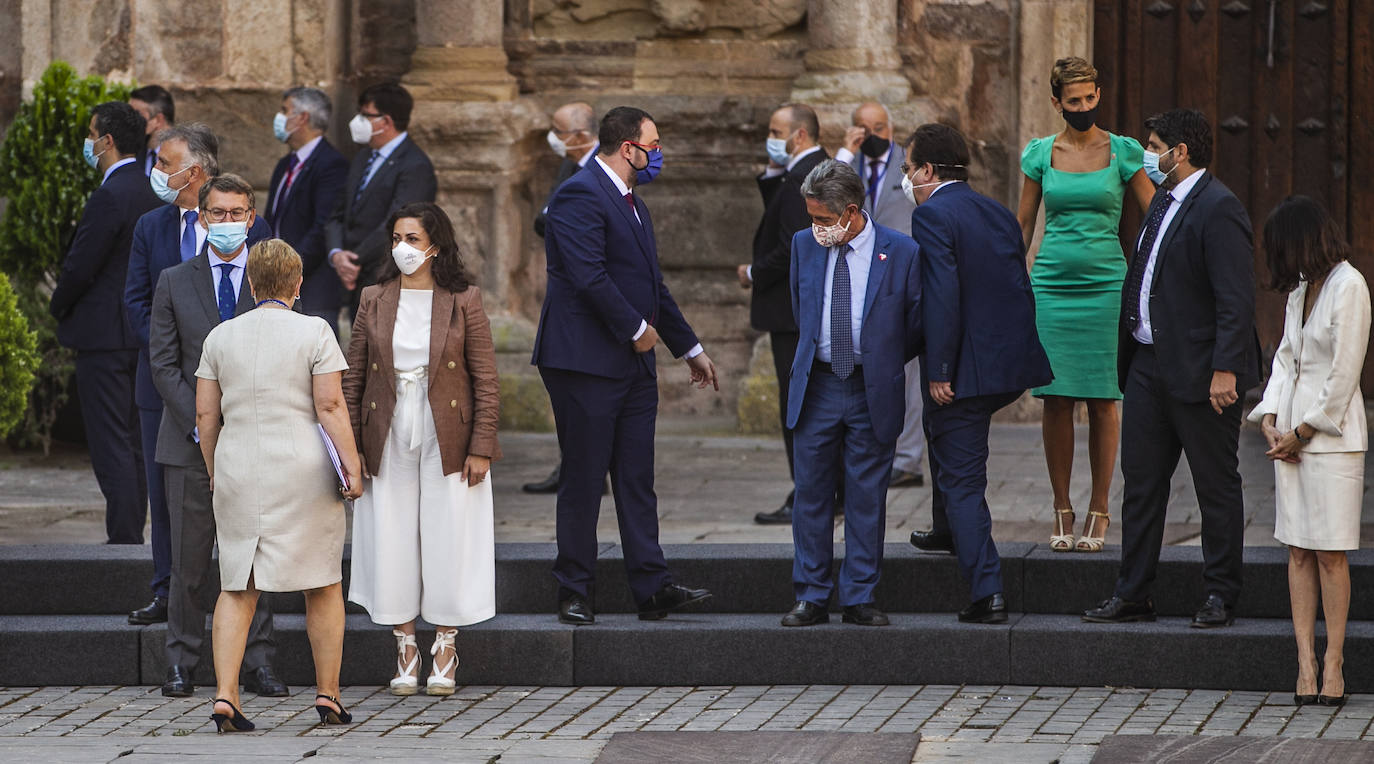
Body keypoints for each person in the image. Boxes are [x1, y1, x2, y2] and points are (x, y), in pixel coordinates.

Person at [532, 106, 718, 625]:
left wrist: (689, 348)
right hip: (585, 362)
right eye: (652, 144)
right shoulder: (579, 192)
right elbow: (588, 276)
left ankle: (652, 585)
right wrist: (639, 332)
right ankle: (574, 589)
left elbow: (651, 286)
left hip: (632, 366)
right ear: (625, 147)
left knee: (637, 477)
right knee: (585, 476)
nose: (658, 153)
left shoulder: (635, 204)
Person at [1083, 108, 1261, 628]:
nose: (1147, 153)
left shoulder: (1218, 207)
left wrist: (1226, 369)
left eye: (1154, 144)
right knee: (1140, 482)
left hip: (1202, 373)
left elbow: (1236, 297)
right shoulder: (1162, 199)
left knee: (1214, 485)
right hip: (1147, 364)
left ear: (1179, 152)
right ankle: (1133, 591)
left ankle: (1221, 594)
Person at [196, 238, 363, 732]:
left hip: (238, 463)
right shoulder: (315, 331)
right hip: (302, 468)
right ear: (297, 284)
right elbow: (330, 406)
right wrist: (351, 468)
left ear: (250, 284)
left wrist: (212, 466)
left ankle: (226, 695)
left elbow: (206, 414)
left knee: (238, 584)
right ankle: (328, 694)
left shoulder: (220, 336)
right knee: (323, 582)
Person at [344, 202, 501, 696]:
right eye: (396, 238)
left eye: (412, 239)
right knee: (390, 532)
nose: (403, 249)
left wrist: (481, 446)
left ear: (435, 244)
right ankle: (405, 645)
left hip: (447, 432)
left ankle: (447, 645)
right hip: (385, 430)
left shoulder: (463, 298)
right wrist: (350, 450)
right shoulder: (373, 297)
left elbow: (486, 379)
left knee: (448, 532)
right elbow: (352, 379)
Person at [903, 124, 1053, 623]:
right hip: (1004, 365)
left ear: (927, 170)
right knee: (938, 433)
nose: (907, 179)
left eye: (908, 169)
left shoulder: (932, 215)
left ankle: (987, 592)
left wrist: (941, 369)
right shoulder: (995, 211)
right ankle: (945, 528)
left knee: (963, 476)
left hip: (962, 370)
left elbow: (942, 294)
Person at [125, 124, 273, 631]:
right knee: (169, 503)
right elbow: (137, 301)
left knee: (247, 510)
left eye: (166, 163)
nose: (157, 173)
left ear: (197, 170)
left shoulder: (256, 229)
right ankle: (167, 593)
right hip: (167, 389)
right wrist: (176, 354)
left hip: (246, 394)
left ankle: (246, 620)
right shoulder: (151, 226)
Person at [148, 174, 283, 699]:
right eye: (217, 214)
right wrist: (204, 424)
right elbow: (163, 364)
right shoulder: (175, 280)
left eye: (237, 213)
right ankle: (181, 660)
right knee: (189, 560)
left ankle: (260, 661)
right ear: (202, 219)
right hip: (187, 444)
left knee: (254, 555)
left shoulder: (270, 278)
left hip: (256, 441)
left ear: (251, 218)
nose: (227, 222)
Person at [1016, 58, 1155, 552]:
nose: (1081, 107)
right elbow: (1025, 225)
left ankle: (1099, 507)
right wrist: (1011, 283)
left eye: (1089, 98)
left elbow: (1156, 217)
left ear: (1098, 95)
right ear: (1056, 102)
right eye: (1071, 101)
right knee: (1055, 398)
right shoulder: (1039, 154)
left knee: (1103, 399)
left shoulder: (1123, 151)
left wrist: (1152, 280)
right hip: (1052, 286)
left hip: (1106, 286)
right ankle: (1061, 507)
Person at [780, 160, 922, 628]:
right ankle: (811, 595)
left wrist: (882, 362)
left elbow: (916, 323)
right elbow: (802, 310)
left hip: (870, 387)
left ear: (852, 211)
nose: (815, 227)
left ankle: (859, 595)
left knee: (866, 495)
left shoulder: (899, 251)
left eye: (823, 219)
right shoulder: (804, 246)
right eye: (812, 218)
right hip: (818, 383)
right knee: (811, 495)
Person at [1249, 197, 1368, 705]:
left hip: (1332, 441)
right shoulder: (1300, 291)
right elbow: (1285, 358)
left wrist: (1305, 430)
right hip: (1291, 442)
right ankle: (1305, 664)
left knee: (1329, 554)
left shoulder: (1350, 286)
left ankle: (1335, 663)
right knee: (1297, 549)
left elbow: (1345, 372)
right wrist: (1271, 419)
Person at [50, 101, 162, 552]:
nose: (88, 142)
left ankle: (123, 536)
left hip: (102, 337)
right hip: (137, 334)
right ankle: (131, 531)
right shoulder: (151, 191)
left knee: (110, 440)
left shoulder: (110, 194)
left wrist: (58, 306)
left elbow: (80, 266)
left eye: (91, 133)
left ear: (107, 140)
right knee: (133, 439)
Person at [735, 103, 828, 525]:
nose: (769, 138)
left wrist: (755, 271)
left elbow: (794, 240)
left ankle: (807, 494)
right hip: (809, 309)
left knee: (797, 405)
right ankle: (822, 489)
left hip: (791, 311)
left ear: (800, 137)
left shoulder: (801, 179)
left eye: (776, 131)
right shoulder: (817, 170)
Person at [834, 101, 925, 490]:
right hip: (857, 280)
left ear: (891, 129)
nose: (871, 134)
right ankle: (870, 450)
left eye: (878, 127)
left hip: (901, 275)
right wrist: (845, 153)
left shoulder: (905, 168)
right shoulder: (846, 167)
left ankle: (907, 459)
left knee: (907, 370)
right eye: (862, 127)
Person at [525, 101, 600, 495]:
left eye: (558, 129)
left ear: (582, 135)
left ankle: (586, 468)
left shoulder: (596, 170)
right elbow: (544, 217)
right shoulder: (570, 164)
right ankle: (574, 464)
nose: (552, 137)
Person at [326, 82, 437, 317]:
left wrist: (354, 260)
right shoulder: (363, 157)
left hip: (386, 277)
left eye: (366, 115)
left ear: (386, 121)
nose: (359, 121)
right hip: (354, 278)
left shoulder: (415, 166)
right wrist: (337, 253)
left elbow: (397, 223)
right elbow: (337, 212)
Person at [265, 87, 350, 335]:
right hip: (277, 284)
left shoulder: (331, 164)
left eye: (285, 111)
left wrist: (289, 269)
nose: (279, 117)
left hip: (312, 289)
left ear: (302, 117)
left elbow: (323, 226)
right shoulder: (285, 164)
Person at [128, 85, 174, 177]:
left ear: (158, 120)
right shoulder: (132, 152)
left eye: (136, 115)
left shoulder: (183, 156)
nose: (129, 120)